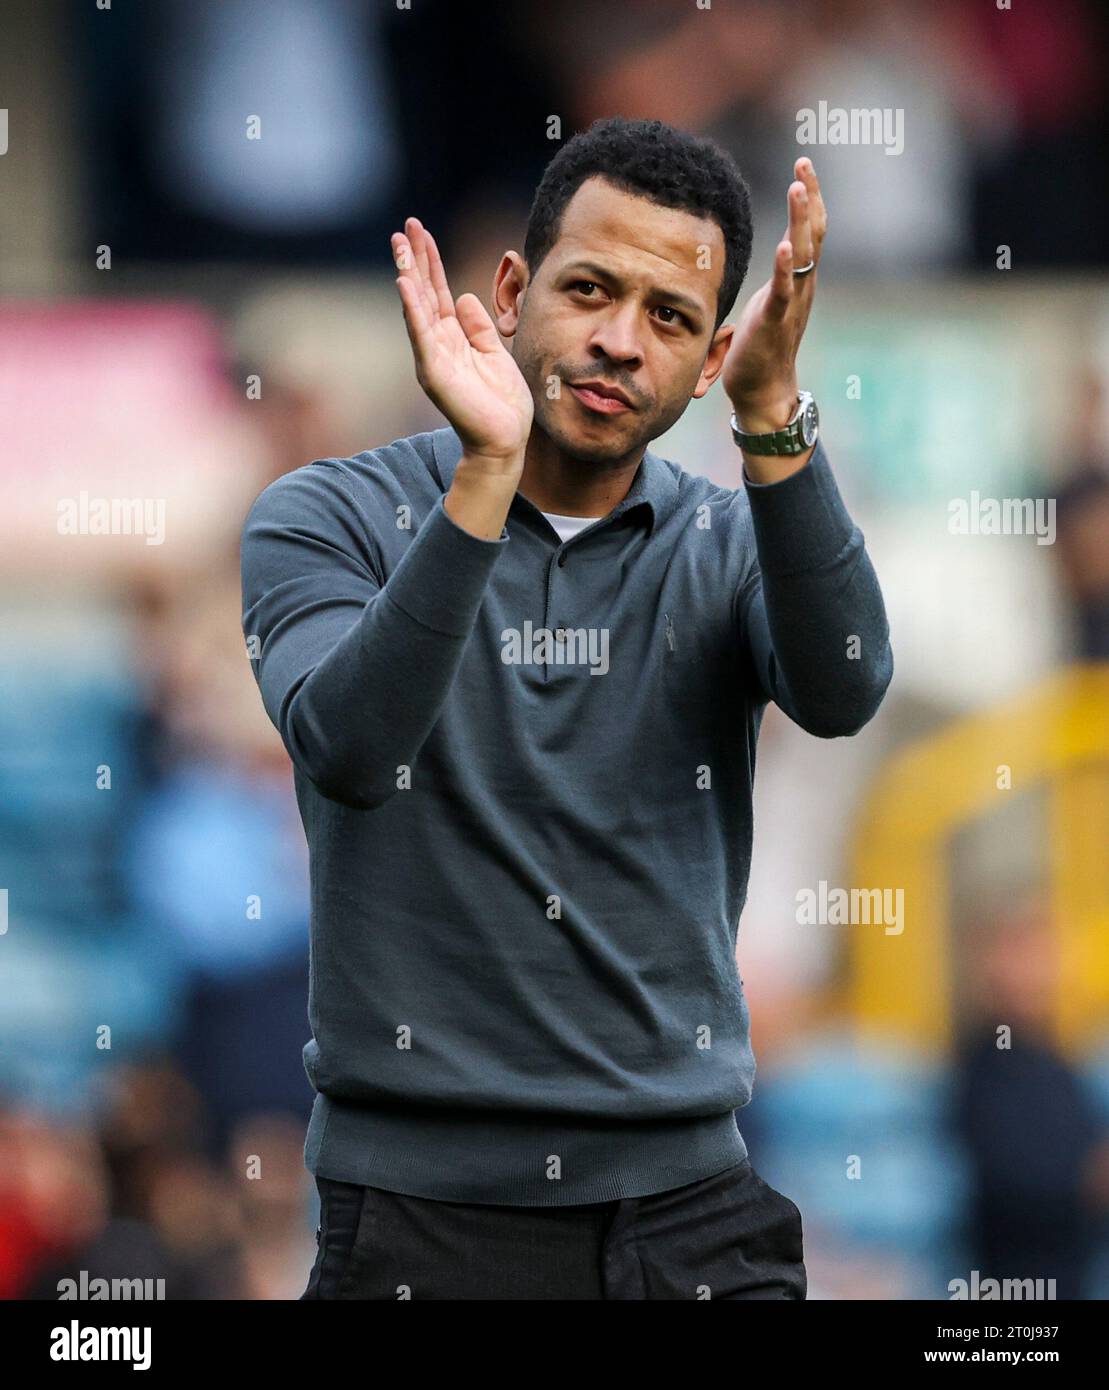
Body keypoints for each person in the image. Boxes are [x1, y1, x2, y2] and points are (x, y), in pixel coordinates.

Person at [240, 117, 893, 1300]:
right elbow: (348, 745)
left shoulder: (730, 541)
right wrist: (482, 479)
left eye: (669, 317)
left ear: (707, 363)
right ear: (510, 288)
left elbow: (844, 685)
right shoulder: (322, 515)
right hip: (421, 1224)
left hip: (690, 1214)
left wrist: (773, 422)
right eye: (589, 287)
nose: (616, 341)